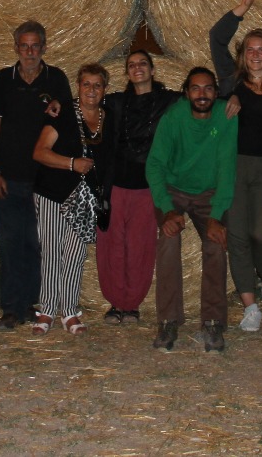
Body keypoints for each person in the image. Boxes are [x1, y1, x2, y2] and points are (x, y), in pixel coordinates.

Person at [0, 21, 73, 330]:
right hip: (8, 177)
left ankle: (38, 304)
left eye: (35, 46)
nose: (30, 52)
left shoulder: (58, 79)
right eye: (24, 46)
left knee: (40, 244)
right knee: (10, 243)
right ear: (16, 49)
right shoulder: (2, 80)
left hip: (45, 180)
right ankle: (11, 307)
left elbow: (66, 126)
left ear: (44, 47)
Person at [209, 0, 262, 331]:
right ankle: (249, 305)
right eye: (250, 49)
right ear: (243, 54)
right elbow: (216, 38)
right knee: (237, 237)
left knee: (261, 235)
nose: (255, 54)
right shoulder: (229, 83)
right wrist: (242, 7)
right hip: (235, 167)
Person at [147, 67, 237, 353]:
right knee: (169, 239)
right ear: (186, 93)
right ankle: (168, 320)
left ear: (216, 92)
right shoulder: (174, 117)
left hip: (209, 192)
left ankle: (212, 322)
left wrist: (216, 216)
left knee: (215, 242)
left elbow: (226, 169)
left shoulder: (226, 116)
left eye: (208, 88)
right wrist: (166, 209)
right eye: (196, 88)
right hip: (174, 189)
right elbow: (155, 165)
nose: (202, 94)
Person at [31, 64, 113, 335]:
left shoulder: (108, 117)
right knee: (52, 253)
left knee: (76, 255)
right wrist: (71, 163)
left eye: (97, 85)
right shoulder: (63, 112)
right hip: (53, 192)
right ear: (78, 86)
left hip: (86, 199)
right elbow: (40, 153)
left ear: (105, 89)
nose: (91, 90)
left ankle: (69, 311)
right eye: (86, 84)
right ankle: (46, 310)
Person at [98, 51, 179, 322]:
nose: (137, 68)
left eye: (142, 63)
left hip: (147, 187)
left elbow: (203, 98)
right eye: (131, 65)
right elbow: (84, 102)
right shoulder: (115, 102)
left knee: (140, 246)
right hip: (115, 184)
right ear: (127, 72)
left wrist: (234, 98)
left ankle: (131, 303)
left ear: (153, 69)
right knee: (111, 245)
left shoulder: (169, 101)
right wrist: (57, 104)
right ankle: (115, 302)